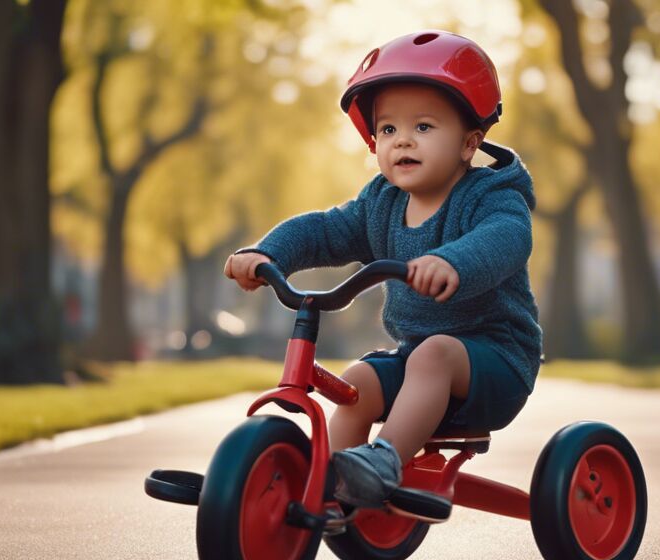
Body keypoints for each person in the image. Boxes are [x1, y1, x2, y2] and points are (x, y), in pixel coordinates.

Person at [224, 31, 540, 511]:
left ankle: (384, 462)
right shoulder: (382, 203)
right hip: (420, 366)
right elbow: (326, 230)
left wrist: (454, 261)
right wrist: (270, 254)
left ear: (469, 142)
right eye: (388, 130)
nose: (403, 141)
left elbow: (507, 239)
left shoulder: (490, 197)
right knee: (358, 384)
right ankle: (330, 489)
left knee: (434, 354)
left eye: (425, 127)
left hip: (496, 364)